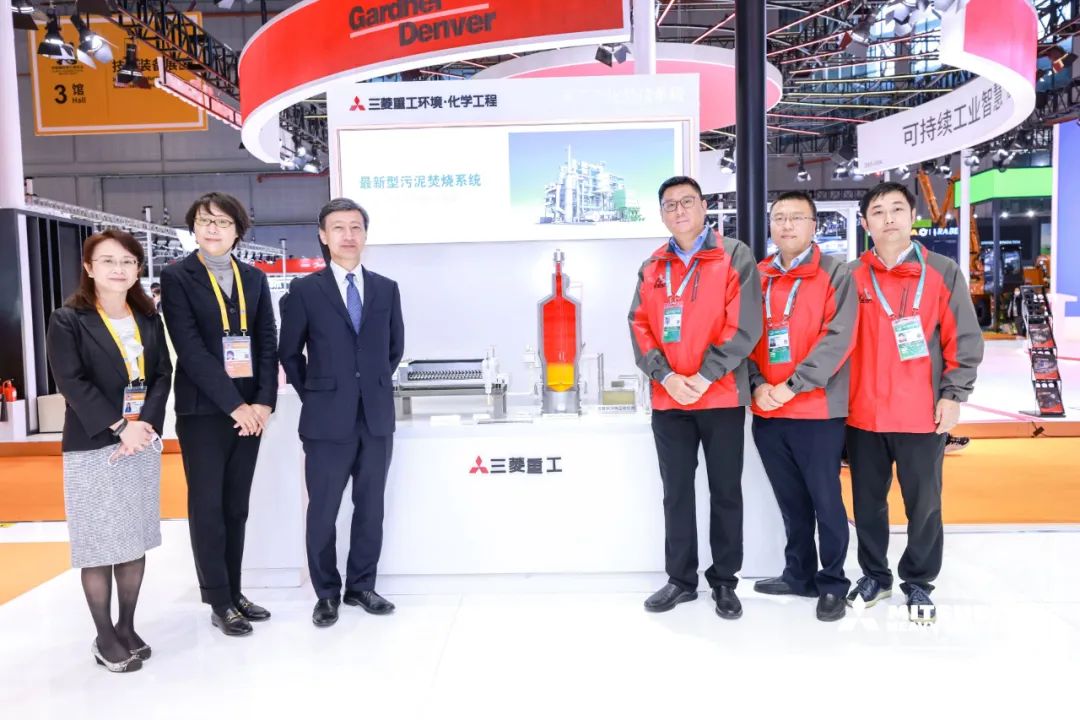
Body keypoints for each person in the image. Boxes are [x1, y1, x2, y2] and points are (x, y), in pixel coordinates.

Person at [846, 181, 984, 624]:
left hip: (921, 412)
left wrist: (954, 394)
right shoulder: (849, 276)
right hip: (863, 414)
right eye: (878, 211)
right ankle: (875, 575)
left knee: (923, 504)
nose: (888, 219)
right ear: (865, 223)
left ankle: (919, 580)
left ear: (912, 216)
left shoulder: (941, 271)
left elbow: (963, 336)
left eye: (897, 209)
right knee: (867, 503)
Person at [628, 176, 762, 620]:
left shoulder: (733, 256)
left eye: (687, 202)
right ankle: (681, 580)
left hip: (719, 397)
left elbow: (744, 325)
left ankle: (724, 581)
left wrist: (705, 376)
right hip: (670, 402)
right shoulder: (652, 266)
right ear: (661, 214)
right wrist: (665, 377)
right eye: (670, 205)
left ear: (705, 207)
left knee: (725, 492)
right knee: (676, 494)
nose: (679, 210)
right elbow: (639, 325)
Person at [46, 229, 172, 673]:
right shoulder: (68, 319)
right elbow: (71, 381)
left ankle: (127, 625)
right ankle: (104, 636)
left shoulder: (148, 317)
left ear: (138, 269)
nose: (119, 269)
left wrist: (144, 425)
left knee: (133, 538)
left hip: (141, 441)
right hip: (94, 444)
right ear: (89, 267)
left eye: (128, 261)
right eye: (108, 261)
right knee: (100, 544)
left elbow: (162, 375)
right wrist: (121, 427)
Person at [279, 198, 405, 628]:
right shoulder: (305, 291)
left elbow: (393, 348)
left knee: (370, 507)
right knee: (323, 510)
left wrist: (368, 385)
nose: (348, 235)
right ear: (323, 235)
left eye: (355, 227)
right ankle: (327, 593)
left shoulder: (386, 288)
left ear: (365, 234)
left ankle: (362, 586)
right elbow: (290, 352)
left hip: (376, 418)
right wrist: (317, 394)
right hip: (325, 421)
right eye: (338, 227)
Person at [160, 193, 279, 637]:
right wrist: (236, 406)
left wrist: (263, 401)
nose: (213, 228)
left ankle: (235, 590)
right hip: (204, 411)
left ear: (237, 231)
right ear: (193, 228)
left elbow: (266, 340)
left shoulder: (253, 278)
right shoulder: (177, 277)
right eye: (204, 221)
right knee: (208, 506)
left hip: (252, 412)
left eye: (223, 222)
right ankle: (218, 599)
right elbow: (190, 349)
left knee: (236, 506)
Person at [747, 191, 857, 622]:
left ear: (814, 225)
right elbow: (744, 337)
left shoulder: (835, 273)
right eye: (779, 217)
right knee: (791, 501)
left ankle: (832, 582)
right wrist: (757, 385)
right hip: (768, 410)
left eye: (797, 217)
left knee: (825, 500)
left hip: (816, 410)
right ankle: (798, 573)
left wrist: (792, 386)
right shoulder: (758, 275)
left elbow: (838, 338)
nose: (787, 225)